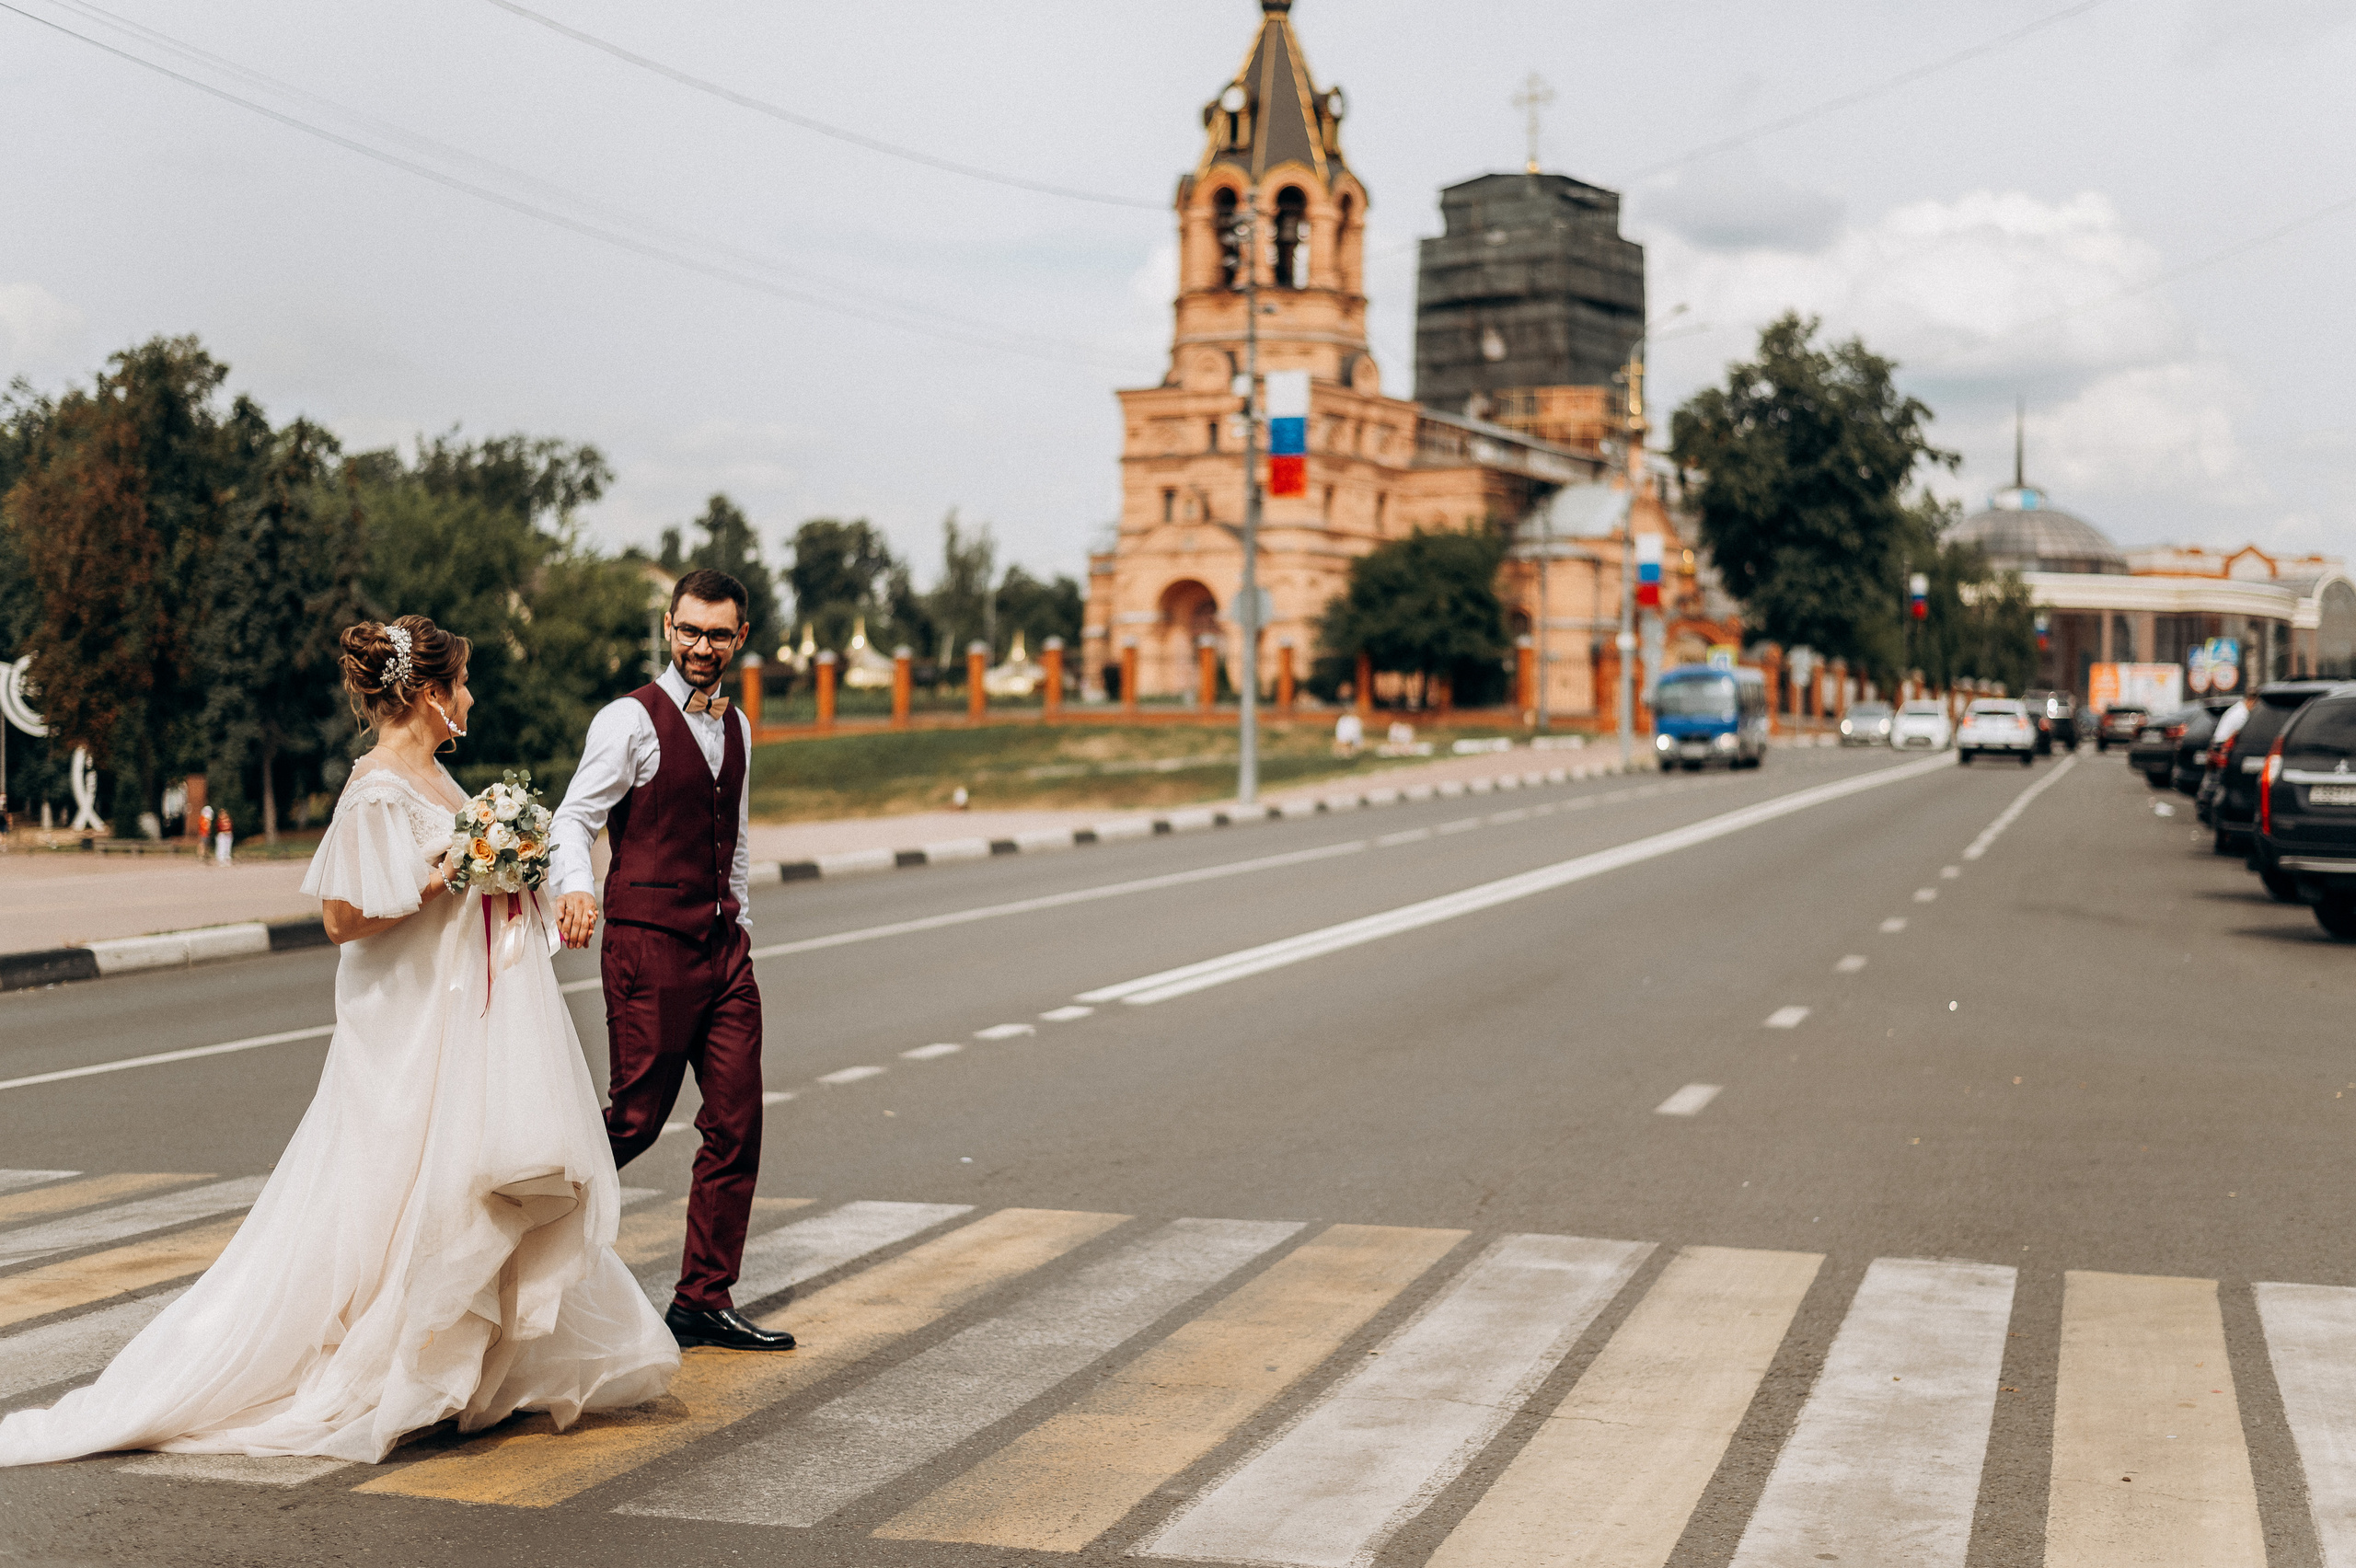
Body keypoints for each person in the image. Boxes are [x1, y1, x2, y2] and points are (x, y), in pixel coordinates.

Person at [0, 617, 676, 1468]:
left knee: (461, 1177)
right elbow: (342, 919)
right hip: (402, 1023)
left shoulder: (438, 778)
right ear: (430, 695)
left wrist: (512, 865)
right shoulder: (375, 787)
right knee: (390, 1187)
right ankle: (393, 1365)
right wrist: (454, 870)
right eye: (462, 684)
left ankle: (460, 1373)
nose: (471, 697)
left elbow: (463, 877)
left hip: (455, 1013)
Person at [550, 569, 790, 1354]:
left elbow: (738, 839)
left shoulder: (740, 726)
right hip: (648, 947)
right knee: (636, 1118)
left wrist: (739, 922)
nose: (701, 646)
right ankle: (524, 1242)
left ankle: (701, 1299)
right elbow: (574, 817)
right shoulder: (630, 721)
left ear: (740, 639)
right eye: (689, 631)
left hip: (724, 953)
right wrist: (578, 891)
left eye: (718, 634)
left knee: (736, 1124)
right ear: (668, 627)